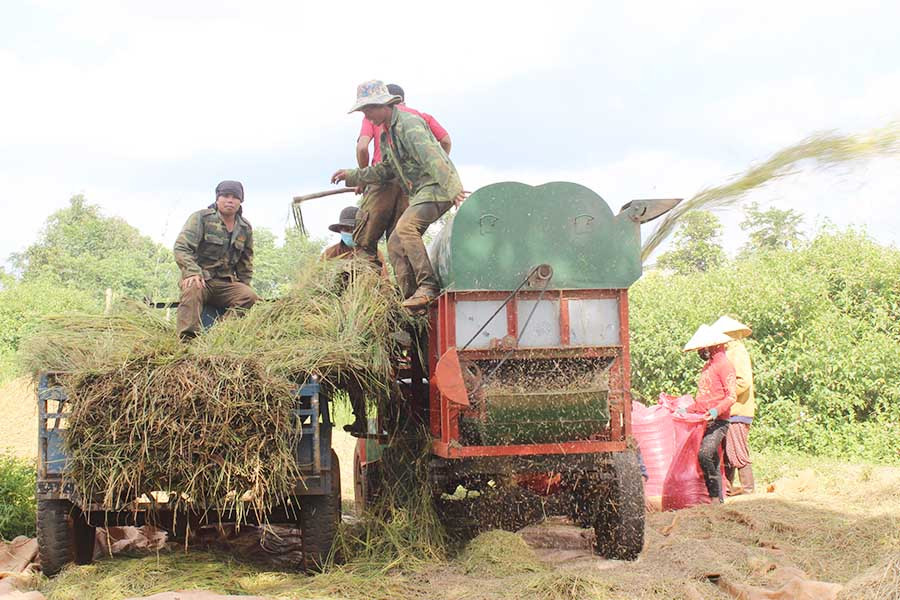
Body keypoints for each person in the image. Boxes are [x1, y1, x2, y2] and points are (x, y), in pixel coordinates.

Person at [332, 80, 466, 310]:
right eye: (363, 111)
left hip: (436, 187)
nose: (366, 115)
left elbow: (434, 156)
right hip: (423, 192)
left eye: (368, 109)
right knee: (395, 242)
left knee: (405, 228)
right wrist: (354, 175)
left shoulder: (408, 124)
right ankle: (412, 300)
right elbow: (386, 169)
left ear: (383, 104)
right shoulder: (387, 136)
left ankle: (428, 287)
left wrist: (455, 192)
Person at [353, 84, 452, 270]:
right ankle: (409, 293)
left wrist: (362, 178)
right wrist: (426, 172)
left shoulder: (374, 118)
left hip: (383, 182)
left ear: (385, 104)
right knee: (400, 242)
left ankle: (371, 292)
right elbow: (445, 141)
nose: (368, 114)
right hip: (410, 186)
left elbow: (362, 147)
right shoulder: (420, 116)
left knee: (365, 245)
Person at [173, 180, 258, 340]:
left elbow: (245, 262)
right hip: (201, 279)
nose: (230, 200)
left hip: (225, 283)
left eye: (235, 197)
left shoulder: (245, 227)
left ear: (241, 201)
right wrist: (191, 272)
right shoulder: (201, 218)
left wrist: (244, 285)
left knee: (249, 296)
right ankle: (187, 340)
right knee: (192, 288)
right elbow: (182, 248)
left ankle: (219, 334)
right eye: (225, 196)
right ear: (217, 198)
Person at [321, 206, 379, 434]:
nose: (349, 232)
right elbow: (320, 288)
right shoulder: (330, 255)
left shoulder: (374, 255)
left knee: (361, 368)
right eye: (345, 229)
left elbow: (382, 287)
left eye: (353, 228)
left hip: (366, 321)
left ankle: (365, 418)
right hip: (335, 320)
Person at [679, 324, 737, 503]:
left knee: (705, 454)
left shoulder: (725, 365)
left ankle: (713, 497)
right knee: (710, 458)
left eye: (703, 348)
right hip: (704, 421)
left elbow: (731, 396)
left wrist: (714, 411)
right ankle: (717, 499)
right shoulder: (707, 367)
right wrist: (686, 410)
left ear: (713, 346)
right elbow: (702, 399)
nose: (701, 351)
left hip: (719, 421)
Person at [712, 315, 756, 495]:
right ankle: (727, 487)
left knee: (737, 450)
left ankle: (748, 488)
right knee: (727, 451)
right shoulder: (727, 353)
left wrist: (723, 396)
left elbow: (743, 382)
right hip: (730, 409)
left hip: (738, 408)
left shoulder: (737, 351)